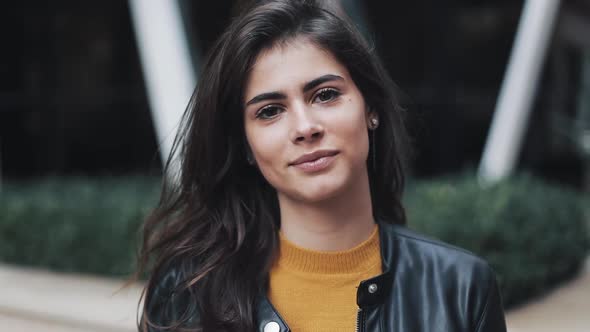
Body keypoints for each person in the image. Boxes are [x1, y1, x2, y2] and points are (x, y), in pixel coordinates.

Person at [136, 0, 507, 331]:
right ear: (246, 146)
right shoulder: (187, 296)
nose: (305, 128)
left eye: (326, 95)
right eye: (270, 111)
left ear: (371, 109)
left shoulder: (459, 289)